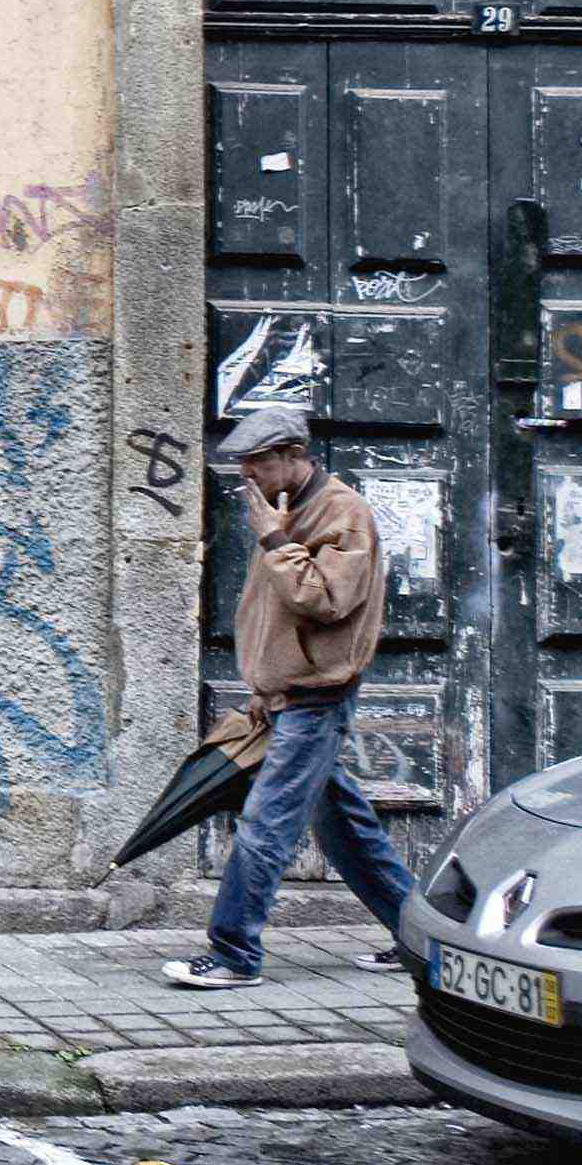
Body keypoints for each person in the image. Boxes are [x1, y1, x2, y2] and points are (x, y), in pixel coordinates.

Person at [162, 399, 417, 990]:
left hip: (317, 700)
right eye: (244, 463)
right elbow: (276, 615)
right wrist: (262, 691)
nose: (246, 475)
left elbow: (325, 600)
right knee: (348, 829)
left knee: (266, 824)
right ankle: (421, 939)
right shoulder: (284, 508)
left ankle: (234, 955)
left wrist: (275, 540)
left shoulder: (341, 514)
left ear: (294, 456)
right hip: (287, 698)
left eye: (257, 462)